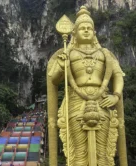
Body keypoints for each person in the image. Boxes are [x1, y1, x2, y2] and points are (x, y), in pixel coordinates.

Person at [47, 6, 127, 166]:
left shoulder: (105, 54)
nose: (86, 30)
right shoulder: (67, 53)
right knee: (79, 154)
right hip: (77, 103)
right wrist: (62, 65)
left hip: (102, 102)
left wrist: (116, 95)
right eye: (82, 28)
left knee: (103, 154)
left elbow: (118, 75)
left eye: (89, 28)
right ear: (74, 33)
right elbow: (53, 79)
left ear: (94, 32)